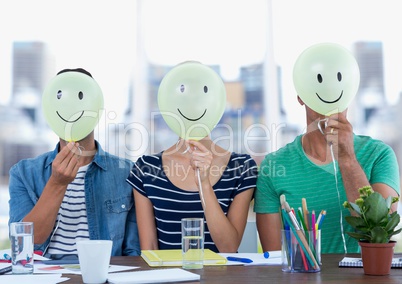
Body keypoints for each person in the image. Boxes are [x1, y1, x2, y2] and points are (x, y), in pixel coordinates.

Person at [8, 68, 140, 257]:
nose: (71, 108)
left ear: (96, 109)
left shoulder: (127, 172)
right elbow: (23, 246)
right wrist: (56, 183)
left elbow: (133, 252)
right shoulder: (23, 173)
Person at [254, 97, 400, 254]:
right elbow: (274, 261)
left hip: (365, 278)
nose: (329, 96)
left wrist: (347, 158)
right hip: (302, 278)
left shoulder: (379, 154)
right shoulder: (273, 165)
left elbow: (381, 232)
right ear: (301, 96)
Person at [127, 137, 258, 253]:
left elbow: (228, 248)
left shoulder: (242, 167)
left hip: (221, 277)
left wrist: (204, 183)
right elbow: (150, 250)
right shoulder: (146, 167)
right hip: (167, 276)